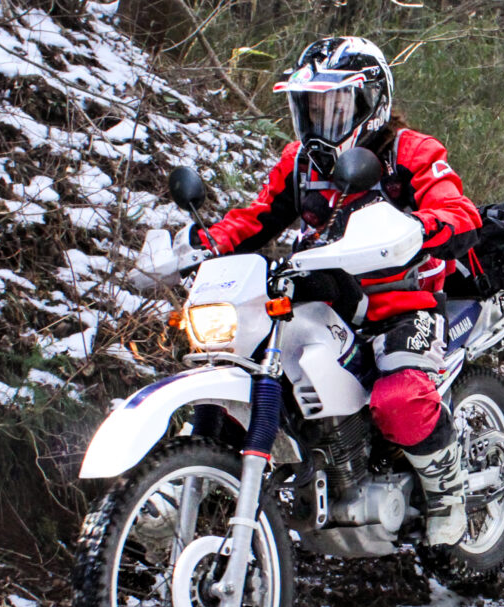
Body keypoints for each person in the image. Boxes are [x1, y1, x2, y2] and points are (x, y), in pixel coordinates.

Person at [174, 36, 481, 546]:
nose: (322, 118)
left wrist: (419, 229)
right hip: (318, 297)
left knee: (400, 399)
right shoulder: (299, 162)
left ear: (370, 102)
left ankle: (447, 488)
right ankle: (198, 483)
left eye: (335, 105)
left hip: (401, 302)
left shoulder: (411, 153)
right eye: (310, 106)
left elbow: (459, 213)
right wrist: (200, 243)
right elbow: (256, 219)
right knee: (233, 361)